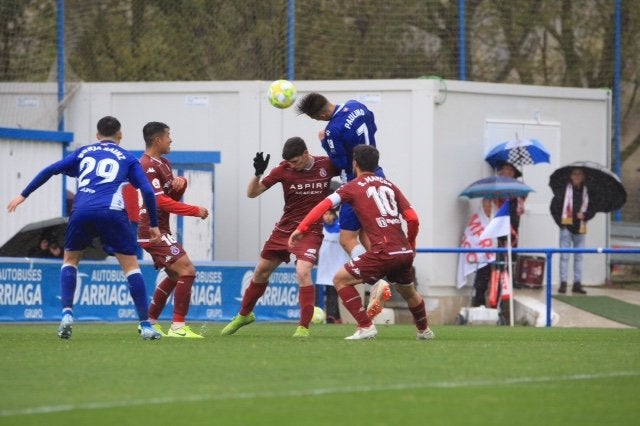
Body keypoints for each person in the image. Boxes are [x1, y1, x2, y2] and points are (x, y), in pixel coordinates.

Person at [6, 116, 163, 340]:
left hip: (81, 211)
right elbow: (147, 191)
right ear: (120, 135)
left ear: (97, 136)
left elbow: (50, 170)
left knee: (70, 261)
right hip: (111, 211)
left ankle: (67, 314)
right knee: (130, 267)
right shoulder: (128, 158)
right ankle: (145, 325)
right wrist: (154, 226)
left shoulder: (83, 153)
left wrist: (23, 195)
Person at [289, 145, 434, 341]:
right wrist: (411, 245)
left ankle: (365, 326)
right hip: (403, 251)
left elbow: (324, 205)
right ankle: (424, 330)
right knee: (409, 291)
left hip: (383, 251)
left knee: (340, 279)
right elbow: (413, 218)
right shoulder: (390, 185)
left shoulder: (352, 187)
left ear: (354, 163)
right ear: (376, 164)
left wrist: (302, 228)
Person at [220, 136, 340, 338]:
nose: (292, 166)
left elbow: (350, 171)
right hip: (284, 229)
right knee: (261, 272)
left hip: (310, 230)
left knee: (303, 272)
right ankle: (244, 315)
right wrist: (257, 173)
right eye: (289, 162)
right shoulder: (283, 169)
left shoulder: (326, 165)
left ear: (305, 153)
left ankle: (303, 327)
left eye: (295, 161)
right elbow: (252, 193)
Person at [137, 121, 210, 338]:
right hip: (152, 230)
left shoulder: (165, 163)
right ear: (157, 140)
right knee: (187, 270)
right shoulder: (147, 165)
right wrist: (194, 210)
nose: (171, 139)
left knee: (174, 274)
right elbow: (160, 203)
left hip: (161, 228)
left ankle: (149, 323)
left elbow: (169, 197)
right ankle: (178, 327)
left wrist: (182, 184)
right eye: (168, 135)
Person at [296, 92, 382, 258]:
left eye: (317, 119)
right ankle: (383, 272)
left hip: (356, 183)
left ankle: (373, 273)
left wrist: (324, 141)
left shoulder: (333, 130)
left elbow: (341, 163)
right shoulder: (357, 105)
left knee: (347, 238)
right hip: (377, 174)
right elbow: (373, 126)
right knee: (367, 231)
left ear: (322, 115)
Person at [550, 167, 594, 294]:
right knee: (564, 256)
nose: (577, 176)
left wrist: (585, 215)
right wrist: (561, 224)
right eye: (574, 174)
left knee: (579, 257)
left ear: (583, 177)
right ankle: (563, 283)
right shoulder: (563, 191)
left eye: (580, 174)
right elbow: (554, 208)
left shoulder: (587, 192)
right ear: (570, 176)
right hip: (566, 228)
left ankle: (577, 284)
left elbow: (592, 209)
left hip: (580, 228)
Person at [315, 208, 349, 323]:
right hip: (323, 266)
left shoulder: (341, 228)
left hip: (337, 266)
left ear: (334, 215)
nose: (328, 217)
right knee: (318, 293)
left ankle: (332, 317)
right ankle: (316, 315)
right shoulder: (320, 229)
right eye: (325, 214)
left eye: (330, 214)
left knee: (332, 292)